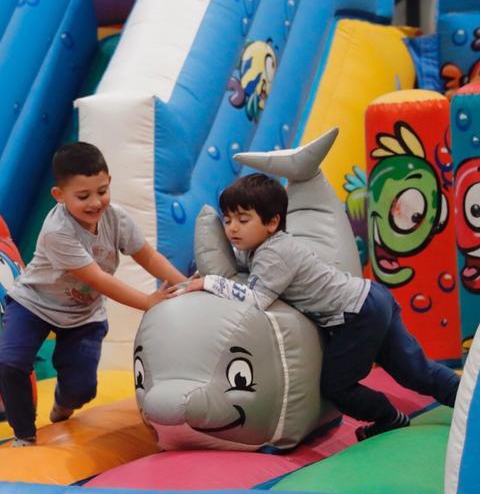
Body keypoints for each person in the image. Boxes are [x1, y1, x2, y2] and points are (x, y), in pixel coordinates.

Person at [180, 173, 459, 440]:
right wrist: (202, 272)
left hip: (358, 313)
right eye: (227, 220)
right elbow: (240, 263)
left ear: (272, 222)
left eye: (242, 219)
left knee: (336, 386)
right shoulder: (264, 247)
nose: (232, 228)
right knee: (415, 372)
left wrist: (212, 283)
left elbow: (256, 300)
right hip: (371, 297)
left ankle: (388, 416)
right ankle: (468, 399)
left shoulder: (275, 253)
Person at [0, 142, 187, 446]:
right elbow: (99, 280)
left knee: (82, 389)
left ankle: (64, 400)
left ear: (109, 181)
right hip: (33, 303)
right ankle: (23, 434)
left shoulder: (117, 219)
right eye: (83, 196)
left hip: (83, 313)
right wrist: (148, 302)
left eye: (102, 191)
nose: (96, 203)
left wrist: (184, 285)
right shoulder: (59, 230)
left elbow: (149, 258)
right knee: (10, 363)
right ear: (59, 196)